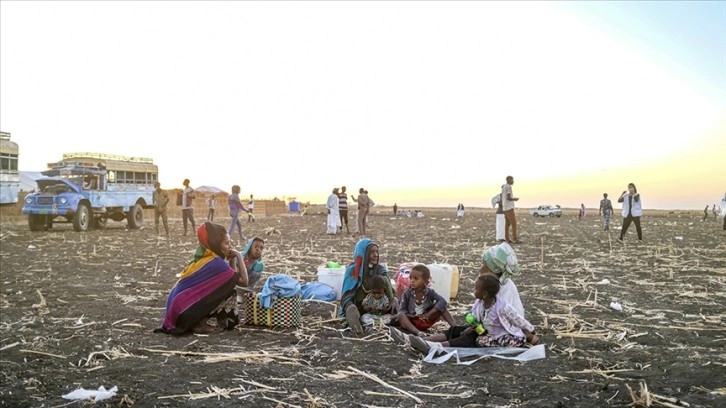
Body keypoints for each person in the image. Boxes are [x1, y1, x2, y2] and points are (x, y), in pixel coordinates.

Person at [404, 274, 538, 354]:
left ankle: (437, 347)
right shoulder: (479, 303)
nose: (474, 291)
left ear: (484, 294)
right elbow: (474, 318)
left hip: (497, 336)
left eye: (476, 289)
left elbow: (517, 319)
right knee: (457, 329)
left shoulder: (502, 307)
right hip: (481, 330)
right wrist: (471, 326)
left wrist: (530, 330)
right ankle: (425, 340)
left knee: (476, 340)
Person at [155, 222, 249, 335]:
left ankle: (199, 322)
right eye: (227, 243)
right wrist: (238, 255)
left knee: (227, 287)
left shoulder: (205, 258)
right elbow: (244, 281)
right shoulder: (217, 263)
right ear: (216, 244)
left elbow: (231, 279)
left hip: (177, 311)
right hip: (184, 313)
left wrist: (231, 259)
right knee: (230, 293)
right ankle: (199, 324)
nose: (231, 246)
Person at [340, 238, 397, 335]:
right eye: (371, 252)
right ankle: (356, 326)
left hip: (380, 311)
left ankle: (395, 320)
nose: (376, 255)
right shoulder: (353, 271)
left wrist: (393, 300)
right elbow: (346, 296)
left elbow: (390, 291)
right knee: (352, 310)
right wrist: (350, 306)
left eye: (376, 252)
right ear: (363, 254)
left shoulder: (380, 270)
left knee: (397, 304)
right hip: (360, 308)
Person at [395, 264, 456, 337]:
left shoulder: (430, 292)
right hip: (412, 322)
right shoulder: (407, 293)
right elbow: (402, 310)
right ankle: (418, 333)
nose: (412, 281)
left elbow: (443, 301)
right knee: (400, 315)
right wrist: (413, 316)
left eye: (415, 278)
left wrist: (428, 314)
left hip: (426, 320)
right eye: (410, 278)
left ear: (426, 281)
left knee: (442, 307)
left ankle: (455, 327)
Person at [479, 242, 524, 317]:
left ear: (492, 270)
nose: (480, 268)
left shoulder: (506, 290)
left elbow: (501, 319)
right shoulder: (490, 284)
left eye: (483, 263)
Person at [501, 176, 520, 244]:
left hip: (505, 208)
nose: (513, 181)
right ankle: (514, 238)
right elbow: (508, 197)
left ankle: (507, 238)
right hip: (509, 208)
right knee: (513, 223)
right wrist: (514, 199)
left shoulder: (503, 187)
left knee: (507, 224)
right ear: (508, 180)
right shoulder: (508, 187)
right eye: (512, 180)